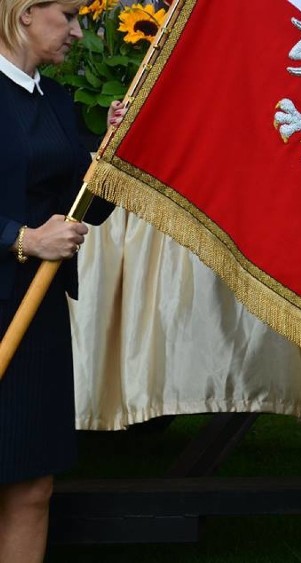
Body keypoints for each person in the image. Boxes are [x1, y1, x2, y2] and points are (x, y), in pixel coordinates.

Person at [0, 2, 114, 560]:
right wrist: (20, 238)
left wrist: (114, 155)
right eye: (67, 14)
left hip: (37, 311)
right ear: (24, 13)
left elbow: (82, 209)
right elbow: (35, 230)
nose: (76, 30)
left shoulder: (58, 101)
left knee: (32, 486)